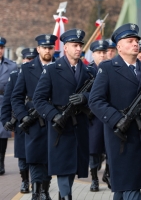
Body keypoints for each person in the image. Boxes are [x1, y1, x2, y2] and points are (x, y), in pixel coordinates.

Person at [88, 23, 141, 200]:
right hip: (120, 137)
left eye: (136, 40)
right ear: (119, 46)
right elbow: (95, 101)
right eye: (130, 41)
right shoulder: (108, 68)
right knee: (129, 185)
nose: (135, 44)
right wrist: (117, 119)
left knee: (123, 188)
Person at [33, 29, 96, 200]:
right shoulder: (53, 69)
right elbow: (39, 99)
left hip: (79, 124)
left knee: (73, 166)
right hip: (60, 126)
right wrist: (54, 115)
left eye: (80, 45)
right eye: (74, 45)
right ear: (66, 47)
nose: (78, 49)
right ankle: (66, 196)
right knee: (62, 166)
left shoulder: (89, 71)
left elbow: (100, 96)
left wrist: (85, 97)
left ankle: (64, 195)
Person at [12, 35, 57, 200]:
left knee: (50, 158)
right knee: (35, 157)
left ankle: (46, 190)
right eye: (44, 47)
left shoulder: (58, 67)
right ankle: (37, 192)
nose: (47, 50)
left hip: (53, 118)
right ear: (38, 49)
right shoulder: (27, 68)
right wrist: (23, 117)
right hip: (33, 119)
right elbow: (16, 97)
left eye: (50, 47)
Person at [1, 48, 38, 194]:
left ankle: (39, 184)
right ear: (23, 60)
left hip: (37, 120)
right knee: (22, 154)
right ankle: (24, 181)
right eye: (27, 59)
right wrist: (5, 119)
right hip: (20, 121)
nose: (29, 62)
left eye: (32, 59)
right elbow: (8, 100)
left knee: (38, 154)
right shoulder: (16, 75)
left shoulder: (42, 74)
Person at [87, 40, 109, 192]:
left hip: (108, 114)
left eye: (103, 52)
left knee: (109, 148)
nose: (101, 55)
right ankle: (94, 178)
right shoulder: (87, 71)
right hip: (92, 117)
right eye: (98, 52)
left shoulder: (111, 69)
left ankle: (108, 174)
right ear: (93, 54)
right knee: (94, 149)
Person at [0, 37, 17, 175]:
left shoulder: (11, 66)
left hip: (3, 104)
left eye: (1, 48)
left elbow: (14, 88)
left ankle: (1, 162)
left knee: (3, 134)